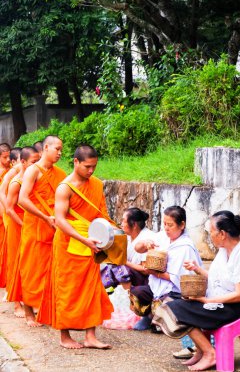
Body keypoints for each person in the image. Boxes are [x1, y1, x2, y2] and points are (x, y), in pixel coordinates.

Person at [152, 210, 240, 371]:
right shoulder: (223, 249)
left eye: (211, 231)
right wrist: (197, 269)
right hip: (221, 302)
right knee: (172, 304)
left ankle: (209, 353)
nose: (209, 234)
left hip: (236, 307)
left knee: (175, 310)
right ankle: (201, 351)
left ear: (222, 234)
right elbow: (218, 279)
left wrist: (208, 301)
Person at [38, 144, 113, 349]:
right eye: (87, 166)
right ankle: (65, 336)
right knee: (67, 289)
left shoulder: (96, 184)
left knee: (91, 288)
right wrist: (83, 239)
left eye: (94, 167)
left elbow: (101, 214)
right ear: (76, 162)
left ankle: (90, 336)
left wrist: (110, 235)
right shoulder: (65, 187)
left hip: (92, 241)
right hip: (68, 243)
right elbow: (60, 221)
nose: (91, 171)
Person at [18, 135, 66, 327]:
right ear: (46, 147)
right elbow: (23, 199)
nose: (60, 153)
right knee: (31, 269)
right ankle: (29, 312)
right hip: (35, 225)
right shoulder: (32, 171)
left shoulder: (61, 174)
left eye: (62, 150)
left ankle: (47, 308)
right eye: (57, 149)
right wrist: (45, 217)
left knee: (51, 271)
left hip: (54, 228)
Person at [131, 206, 202, 331]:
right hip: (157, 286)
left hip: (176, 292)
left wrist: (155, 273)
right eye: (164, 224)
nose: (166, 228)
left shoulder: (186, 247)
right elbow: (137, 248)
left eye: (170, 225)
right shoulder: (163, 236)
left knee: (161, 322)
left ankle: (158, 319)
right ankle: (148, 316)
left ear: (182, 225)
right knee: (137, 292)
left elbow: (181, 279)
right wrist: (144, 243)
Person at [6, 147, 40, 317]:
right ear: (22, 162)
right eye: (34, 162)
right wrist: (23, 224)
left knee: (32, 265)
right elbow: (9, 209)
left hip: (32, 225)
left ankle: (32, 301)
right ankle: (17, 304)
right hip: (18, 224)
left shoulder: (36, 180)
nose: (37, 166)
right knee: (17, 263)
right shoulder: (15, 182)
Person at [101, 207, 154, 291]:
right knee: (107, 266)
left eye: (123, 221)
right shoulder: (128, 237)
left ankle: (128, 296)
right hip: (130, 274)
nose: (121, 224)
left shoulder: (147, 238)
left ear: (134, 224)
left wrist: (124, 261)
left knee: (121, 269)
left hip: (145, 280)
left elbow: (146, 270)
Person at [0, 143, 11, 288]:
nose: (8, 159)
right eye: (5, 157)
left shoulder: (11, 172)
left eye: (9, 156)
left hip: (9, 211)